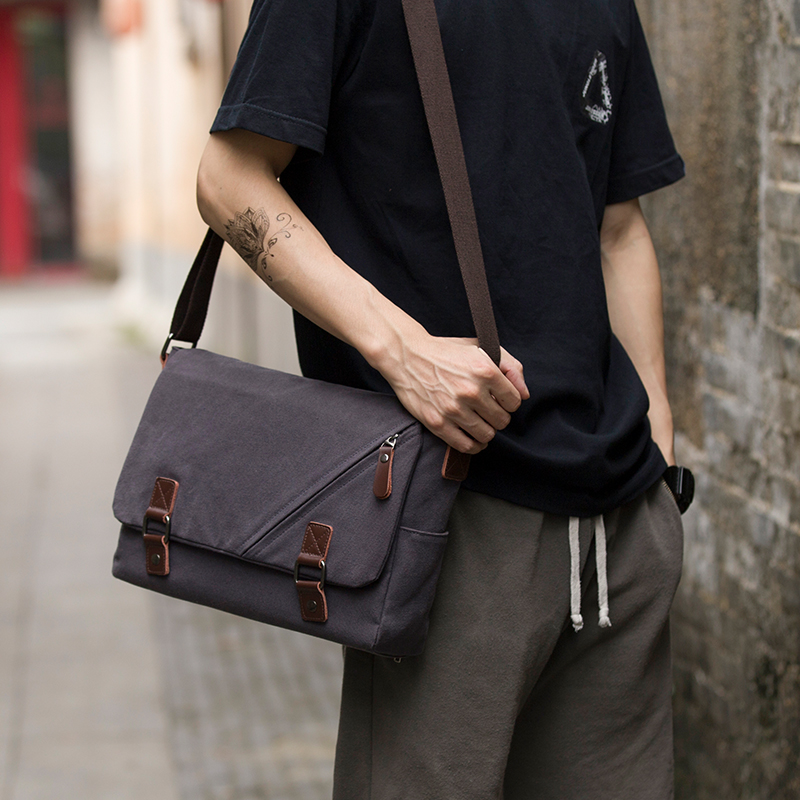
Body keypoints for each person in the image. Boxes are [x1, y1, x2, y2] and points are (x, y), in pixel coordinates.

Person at [196, 1, 689, 797]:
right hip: (451, 510)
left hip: (624, 526)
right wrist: (403, 351)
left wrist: (659, 439)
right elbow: (228, 180)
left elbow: (618, 228)